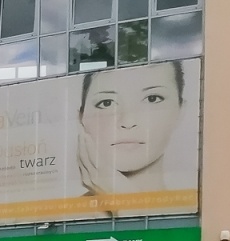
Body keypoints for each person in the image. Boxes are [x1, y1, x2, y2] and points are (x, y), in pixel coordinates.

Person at [76, 60, 188, 203]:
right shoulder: (56, 218)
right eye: (107, 103)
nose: (128, 122)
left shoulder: (202, 211)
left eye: (152, 99)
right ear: (81, 118)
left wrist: (126, 203)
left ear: (181, 111)